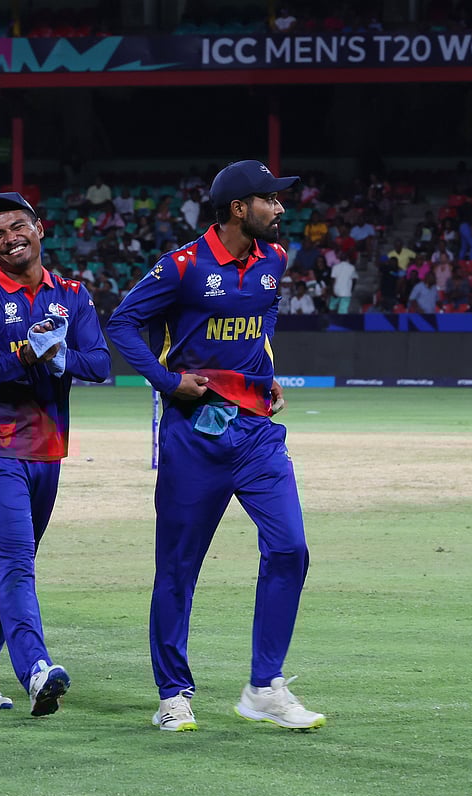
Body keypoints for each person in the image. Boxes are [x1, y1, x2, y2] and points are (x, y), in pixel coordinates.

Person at [107, 160, 325, 733]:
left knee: (290, 550)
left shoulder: (274, 260)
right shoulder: (181, 266)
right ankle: (173, 693)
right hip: (193, 434)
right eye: (270, 201)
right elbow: (123, 323)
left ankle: (263, 687)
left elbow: (265, 318)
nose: (280, 210)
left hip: (256, 434)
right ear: (238, 209)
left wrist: (267, 370)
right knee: (177, 569)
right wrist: (165, 380)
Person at [0, 192, 111, 716]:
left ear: (39, 229)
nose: (10, 237)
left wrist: (59, 356)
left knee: (6, 562)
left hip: (47, 452)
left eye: (18, 226)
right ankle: (35, 669)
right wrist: (23, 353)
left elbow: (101, 363)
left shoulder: (72, 295)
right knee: (16, 561)